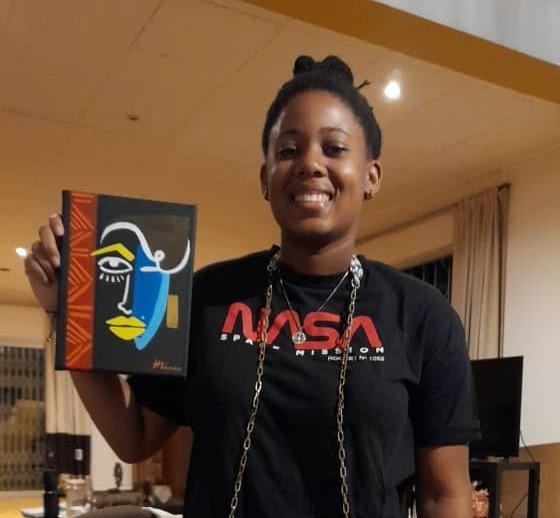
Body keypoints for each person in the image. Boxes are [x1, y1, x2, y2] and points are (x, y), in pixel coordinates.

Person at [25, 55, 480, 518]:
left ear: (371, 176)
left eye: (334, 148)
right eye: (288, 150)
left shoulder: (422, 315)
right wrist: (68, 310)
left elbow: (444, 493)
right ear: (266, 178)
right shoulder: (206, 298)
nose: (310, 163)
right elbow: (134, 436)